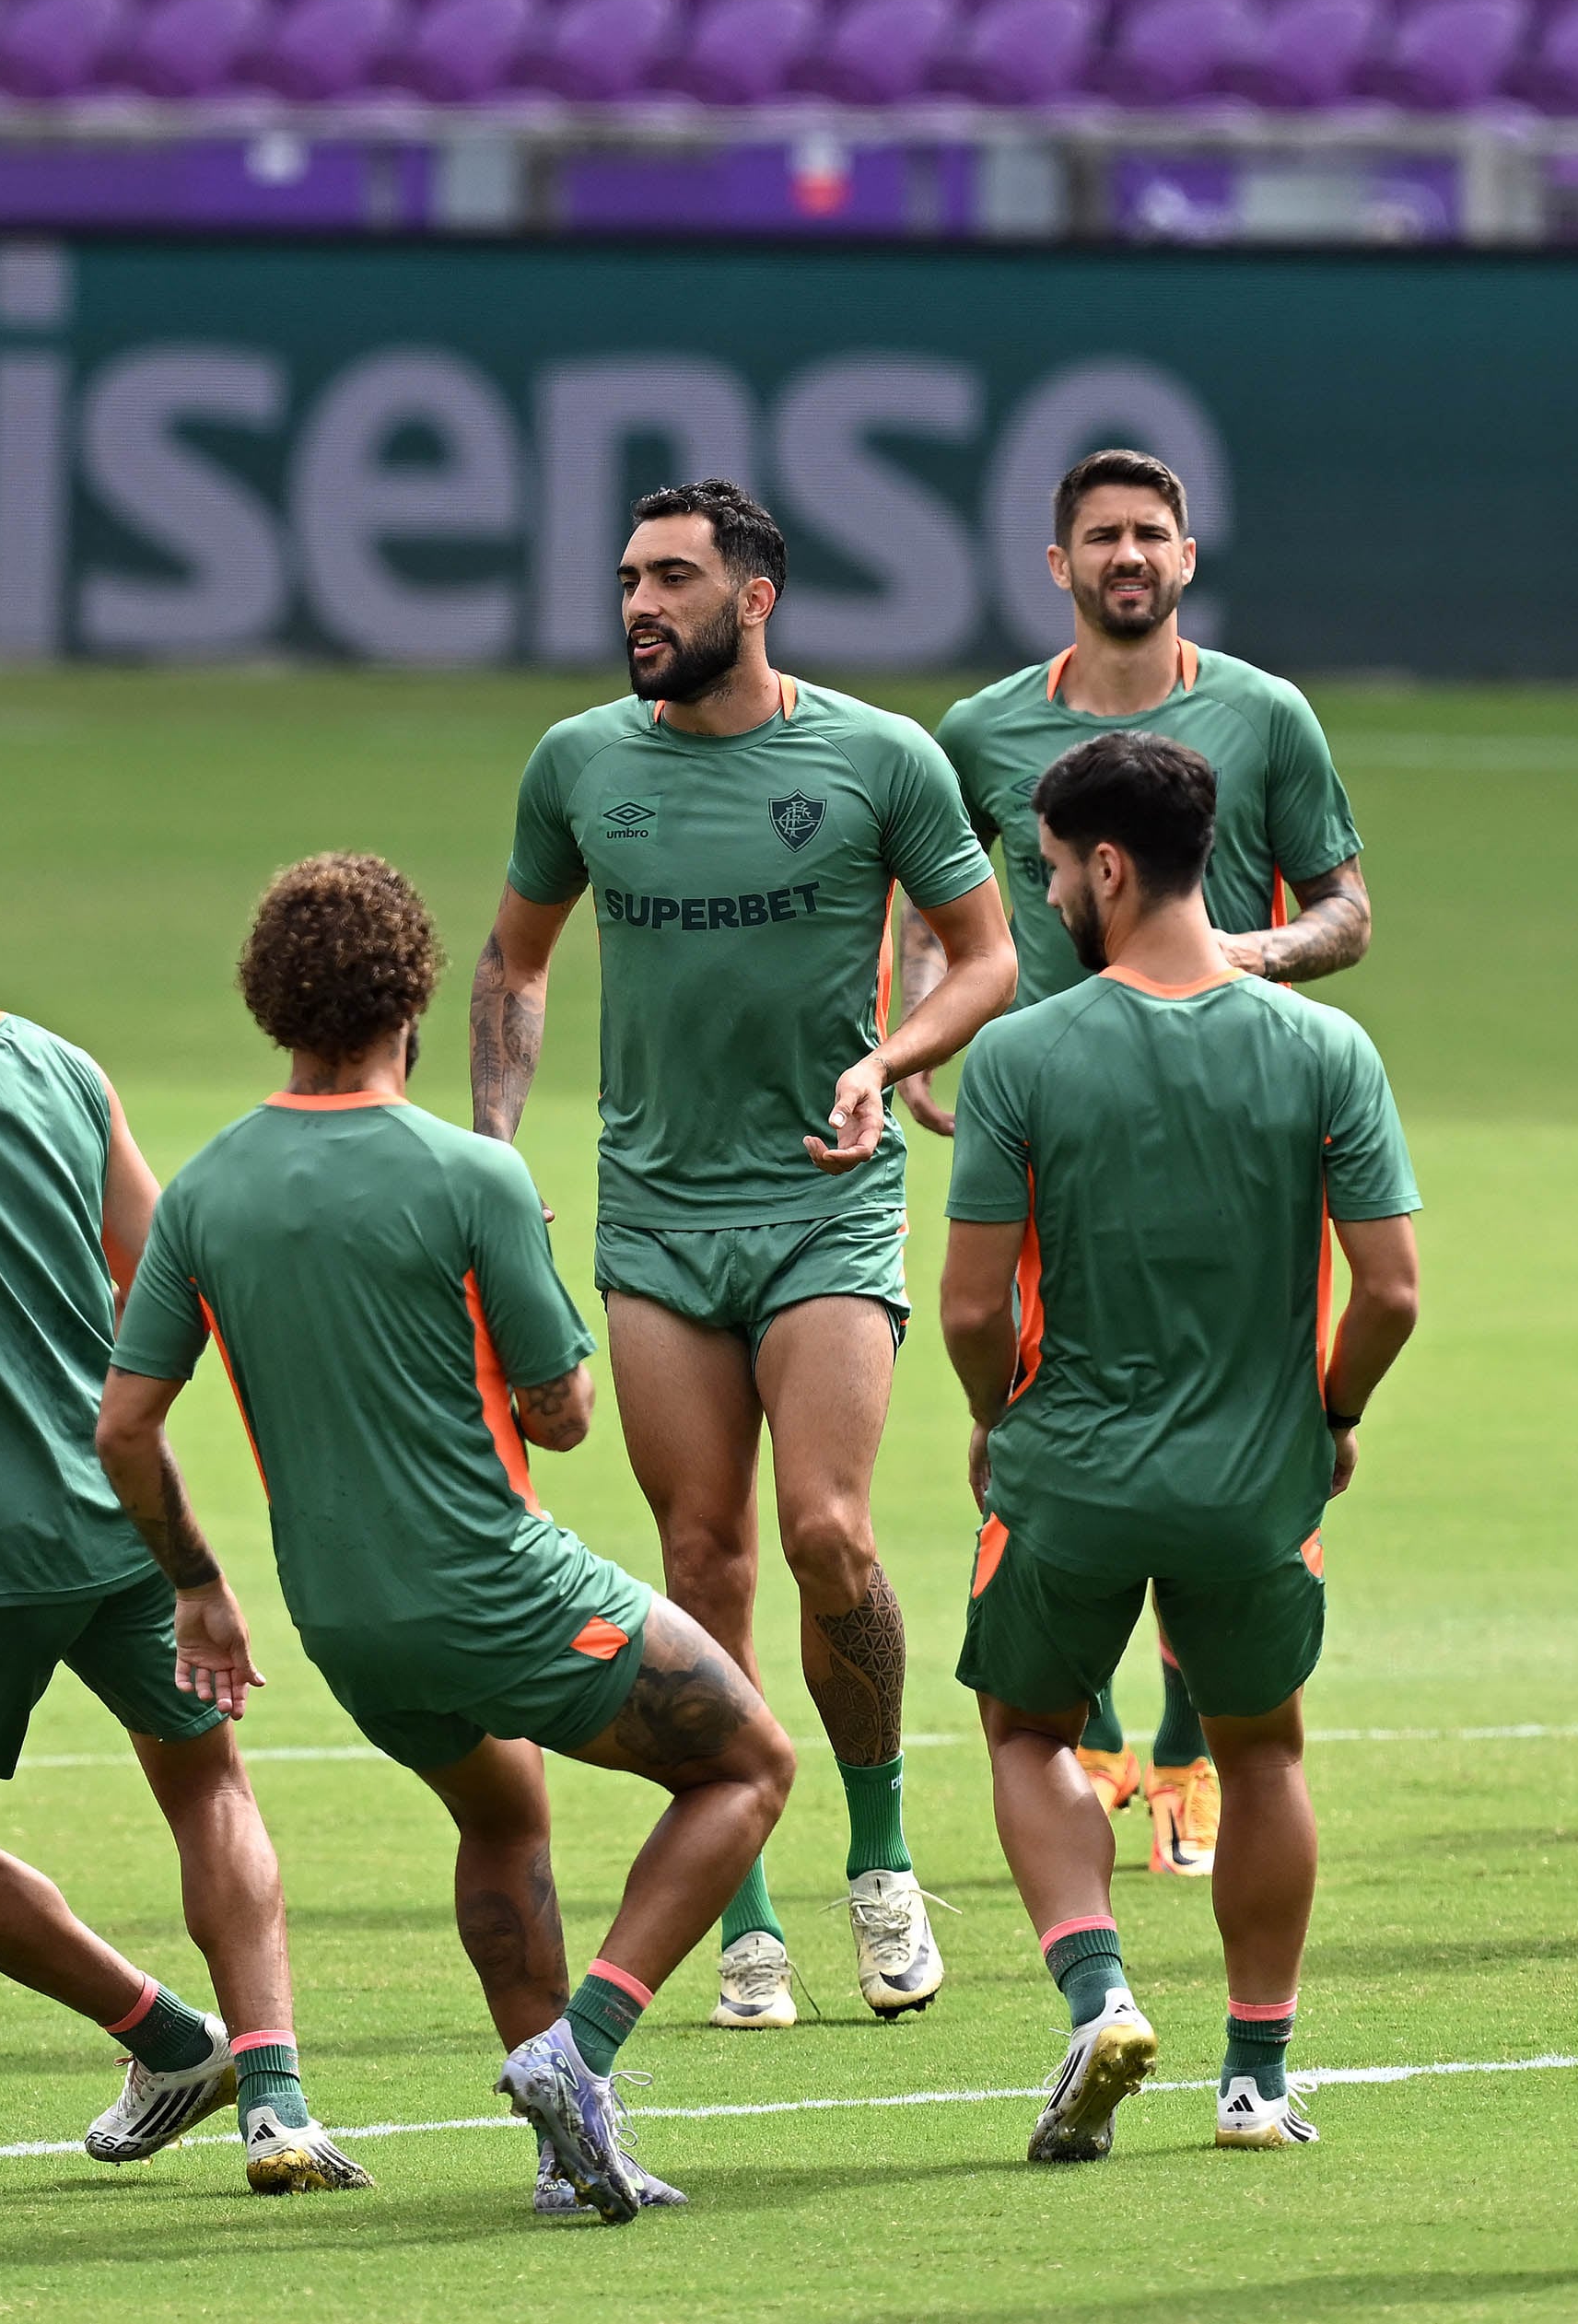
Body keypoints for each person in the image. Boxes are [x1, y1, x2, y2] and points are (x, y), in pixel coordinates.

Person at [99, 852, 798, 2224]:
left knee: (502, 1805)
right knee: (751, 1765)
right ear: (410, 994)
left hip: (345, 1621)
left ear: (271, 1003)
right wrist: (523, 1270)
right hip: (500, 1587)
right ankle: (574, 2052)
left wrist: (197, 1586)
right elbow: (566, 1414)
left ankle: (561, 2155)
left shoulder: (203, 1189)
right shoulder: (469, 1171)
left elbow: (126, 1428)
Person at [473, 478, 1015, 2031]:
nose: (637, 605)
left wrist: (888, 1055)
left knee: (827, 1530)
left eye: (669, 579)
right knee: (699, 1556)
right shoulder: (578, 763)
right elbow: (512, 961)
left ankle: (885, 1857)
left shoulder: (879, 757)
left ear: (754, 598)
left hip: (824, 1200)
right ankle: (750, 1906)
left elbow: (986, 954)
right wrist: (495, 1151)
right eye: (627, 579)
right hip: (654, 1214)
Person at [0, 809, 360, 2192]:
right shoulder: (63, 1065)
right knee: (207, 1779)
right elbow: (169, 1272)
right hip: (127, 1514)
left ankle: (163, 2035)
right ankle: (275, 2095)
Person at [937, 732, 1420, 2160]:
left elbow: (971, 1300)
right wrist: (1330, 1413)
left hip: (1067, 1473)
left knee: (1028, 1728)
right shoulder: (1325, 1046)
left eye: (1048, 871)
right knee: (1261, 1751)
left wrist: (992, 1413)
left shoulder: (1023, 1053)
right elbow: (1391, 1289)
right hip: (1251, 1481)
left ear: (1102, 866)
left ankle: (1097, 1991)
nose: (1046, 898)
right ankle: (1257, 2078)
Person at [908, 445, 1373, 1879]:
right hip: (1049, 1119)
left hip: (1231, 1112)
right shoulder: (979, 731)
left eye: (1151, 535)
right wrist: (926, 1031)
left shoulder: (1265, 715)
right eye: (1101, 535)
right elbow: (940, 906)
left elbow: (1348, 909)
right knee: (1051, 1391)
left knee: (1222, 1396)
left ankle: (1188, 1739)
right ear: (1057, 566)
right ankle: (1094, 1720)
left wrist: (1255, 950)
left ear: (1185, 556)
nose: (1128, 555)